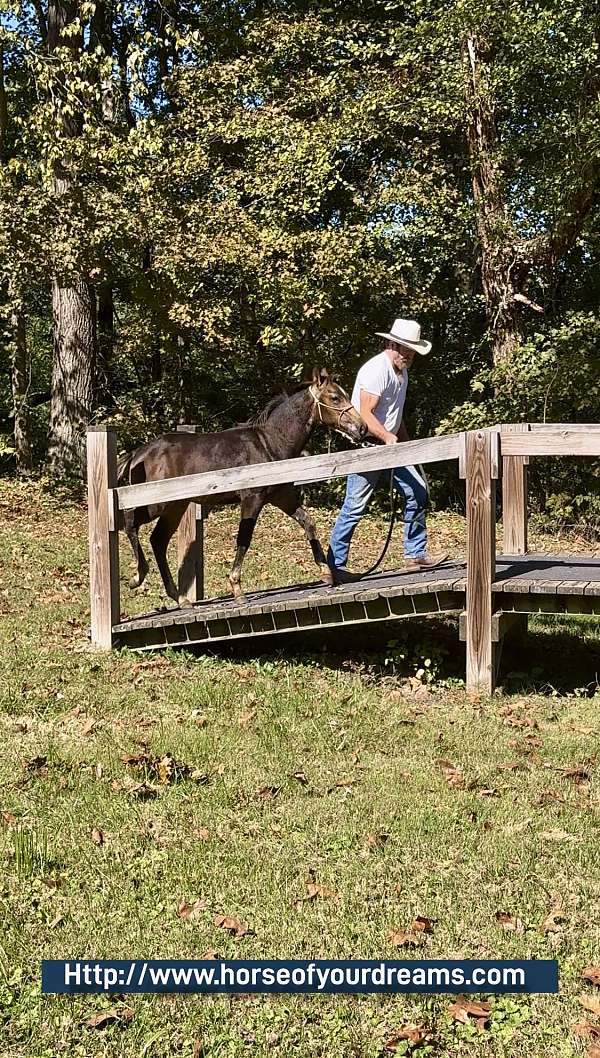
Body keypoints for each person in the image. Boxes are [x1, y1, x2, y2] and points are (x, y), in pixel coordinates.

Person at [327, 318, 447, 583]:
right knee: (354, 506)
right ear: (393, 344)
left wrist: (405, 443)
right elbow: (365, 413)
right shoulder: (376, 370)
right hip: (369, 447)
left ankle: (415, 554)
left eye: (413, 350)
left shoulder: (401, 373)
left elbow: (395, 415)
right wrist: (387, 437)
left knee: (417, 491)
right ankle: (334, 566)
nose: (411, 354)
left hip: (389, 445)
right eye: (407, 349)